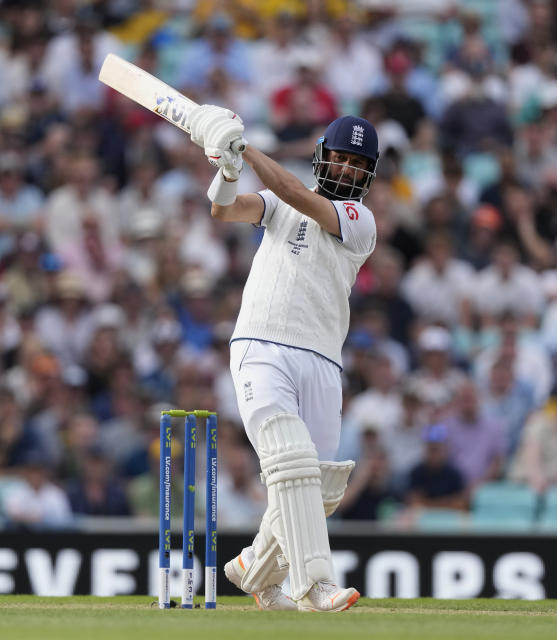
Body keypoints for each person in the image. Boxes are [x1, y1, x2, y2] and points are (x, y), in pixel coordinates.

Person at [187, 106, 378, 611]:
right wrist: (227, 170)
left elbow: (297, 194)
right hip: (261, 345)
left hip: (322, 359)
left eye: (357, 164)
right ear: (323, 156)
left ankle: (255, 566)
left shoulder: (361, 221)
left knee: (320, 488)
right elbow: (225, 211)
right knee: (289, 459)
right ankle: (314, 584)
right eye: (340, 159)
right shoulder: (276, 203)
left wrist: (244, 147)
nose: (347, 170)